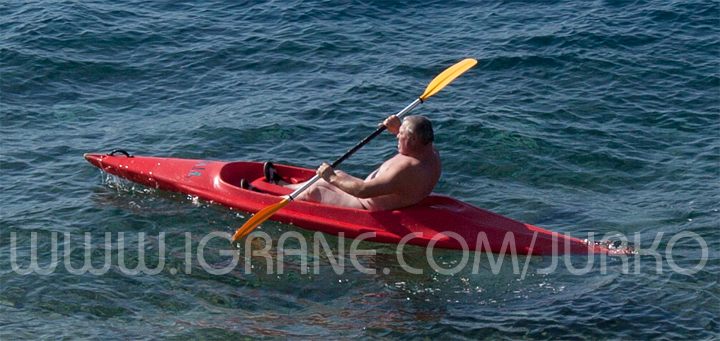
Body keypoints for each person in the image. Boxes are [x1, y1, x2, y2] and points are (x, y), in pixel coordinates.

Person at [279, 115, 441, 211]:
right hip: (386, 198)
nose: (398, 136)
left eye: (401, 134)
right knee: (336, 176)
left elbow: (363, 191)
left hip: (365, 205)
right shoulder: (431, 152)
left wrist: (331, 177)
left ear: (413, 139)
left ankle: (272, 200)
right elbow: (414, 143)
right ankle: (281, 185)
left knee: (314, 191)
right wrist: (398, 128)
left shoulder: (407, 170)